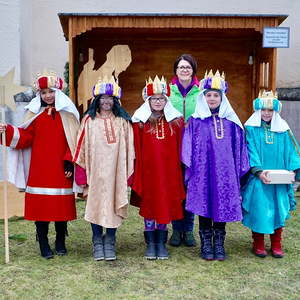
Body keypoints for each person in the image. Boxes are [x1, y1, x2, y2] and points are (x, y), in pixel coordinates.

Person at [0, 71, 80, 259]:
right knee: (42, 208)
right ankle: (43, 242)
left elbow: (74, 139)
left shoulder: (67, 114)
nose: (48, 96)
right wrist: (8, 131)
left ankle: (60, 240)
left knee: (61, 207)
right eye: (43, 93)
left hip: (61, 168)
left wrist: (69, 161)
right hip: (40, 168)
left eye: (51, 92)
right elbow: (25, 137)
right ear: (39, 95)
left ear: (57, 93)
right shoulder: (34, 114)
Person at [181, 70, 250, 261]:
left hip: (225, 174)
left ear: (222, 97)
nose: (212, 99)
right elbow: (187, 148)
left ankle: (219, 244)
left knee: (221, 205)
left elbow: (240, 149)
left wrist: (238, 172)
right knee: (205, 204)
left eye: (216, 95)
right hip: (202, 173)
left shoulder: (232, 123)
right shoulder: (195, 122)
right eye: (208, 95)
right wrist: (190, 170)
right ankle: (205, 244)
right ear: (203, 97)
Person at [73, 77, 134, 261]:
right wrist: (81, 173)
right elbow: (80, 147)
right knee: (96, 206)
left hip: (116, 173)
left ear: (116, 101)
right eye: (102, 98)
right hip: (95, 174)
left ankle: (111, 241)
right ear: (96, 100)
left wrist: (129, 174)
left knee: (114, 205)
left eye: (110, 98)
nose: (106, 101)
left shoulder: (122, 122)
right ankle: (97, 241)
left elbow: (130, 148)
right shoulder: (89, 121)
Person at [131, 76, 185, 260]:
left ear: (166, 100)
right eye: (154, 99)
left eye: (161, 98)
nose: (158, 102)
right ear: (148, 100)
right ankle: (150, 243)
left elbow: (181, 148)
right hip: (148, 172)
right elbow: (136, 149)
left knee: (164, 204)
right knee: (150, 204)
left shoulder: (176, 122)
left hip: (169, 172)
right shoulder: (139, 122)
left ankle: (161, 242)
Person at [241, 91, 300, 258]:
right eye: (263, 110)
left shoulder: (283, 130)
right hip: (260, 178)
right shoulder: (251, 129)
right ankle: (258, 243)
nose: (266, 113)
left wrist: (292, 170)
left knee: (278, 209)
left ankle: (276, 243)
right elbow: (249, 150)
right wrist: (258, 172)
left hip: (280, 180)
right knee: (259, 209)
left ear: (276, 111)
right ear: (258, 110)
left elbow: (292, 151)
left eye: (270, 110)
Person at [168, 54, 201, 247]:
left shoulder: (201, 92)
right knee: (175, 189)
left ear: (193, 70)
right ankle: (175, 229)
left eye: (188, 67)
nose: (184, 70)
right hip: (172, 149)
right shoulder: (168, 92)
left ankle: (188, 230)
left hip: (195, 150)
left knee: (191, 189)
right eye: (181, 67)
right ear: (176, 71)